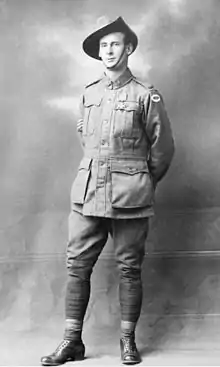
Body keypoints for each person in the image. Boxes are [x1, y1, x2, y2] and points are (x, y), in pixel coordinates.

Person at [41, 16, 175, 366]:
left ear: (129, 48)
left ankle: (127, 341)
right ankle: (72, 341)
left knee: (130, 268)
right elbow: (87, 138)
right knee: (77, 266)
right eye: (103, 46)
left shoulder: (146, 95)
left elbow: (163, 150)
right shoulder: (89, 93)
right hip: (87, 195)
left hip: (130, 196)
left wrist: (140, 180)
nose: (109, 51)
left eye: (115, 44)